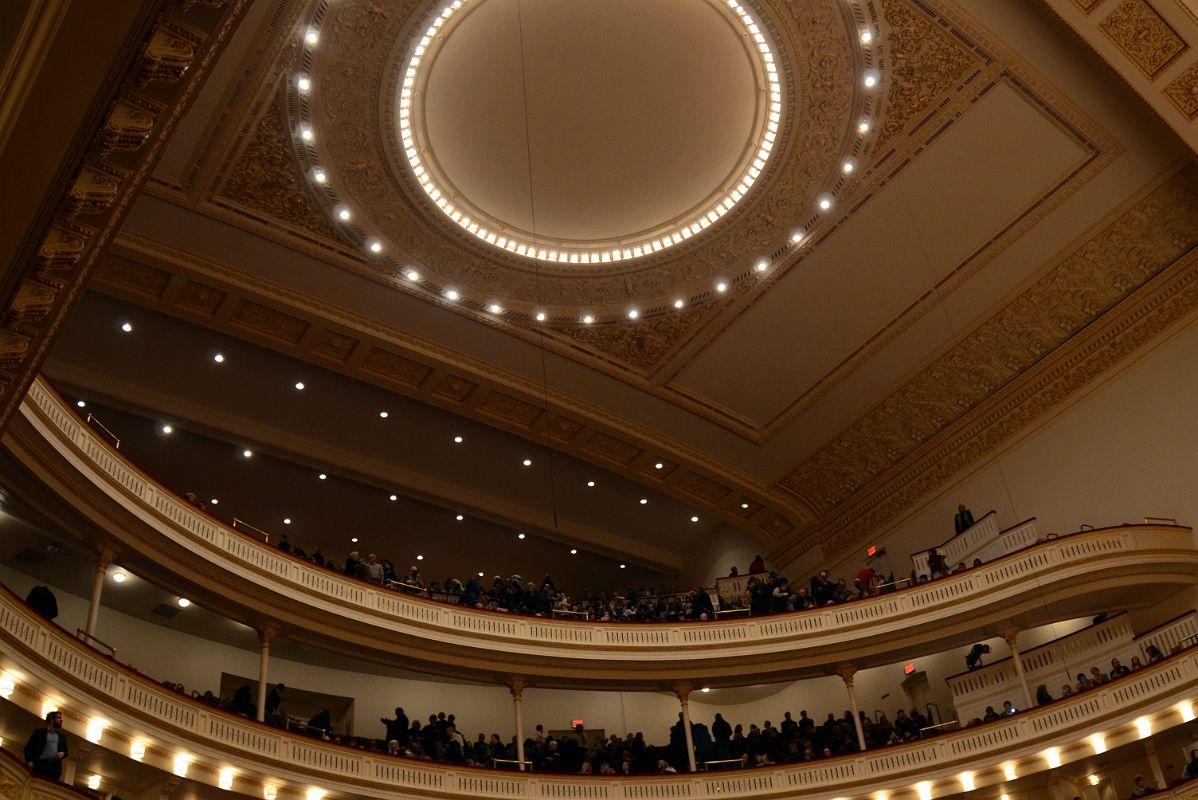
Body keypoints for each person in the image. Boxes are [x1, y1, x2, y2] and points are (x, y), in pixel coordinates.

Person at [24, 710, 68, 780]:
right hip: (40, 766)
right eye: (59, 718)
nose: (61, 720)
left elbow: (66, 752)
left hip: (54, 770)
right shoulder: (39, 732)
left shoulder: (62, 736)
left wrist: (63, 753)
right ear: (51, 719)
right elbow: (28, 748)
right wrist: (29, 761)